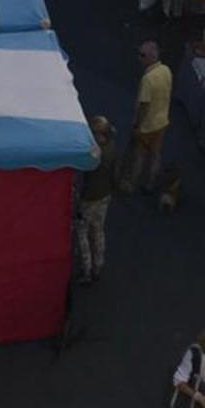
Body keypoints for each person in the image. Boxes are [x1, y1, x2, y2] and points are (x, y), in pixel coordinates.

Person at [126, 39, 173, 193]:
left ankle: (132, 184)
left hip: (147, 125)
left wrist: (136, 125)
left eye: (142, 55)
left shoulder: (148, 79)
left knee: (139, 155)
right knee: (155, 154)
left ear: (150, 57)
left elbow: (144, 106)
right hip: (162, 121)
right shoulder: (166, 70)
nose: (139, 58)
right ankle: (151, 183)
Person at [75, 116, 117, 284]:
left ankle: (87, 269)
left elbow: (85, 164)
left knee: (82, 232)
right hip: (105, 195)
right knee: (98, 230)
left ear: (101, 136)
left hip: (90, 197)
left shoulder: (96, 154)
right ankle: (98, 265)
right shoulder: (112, 147)